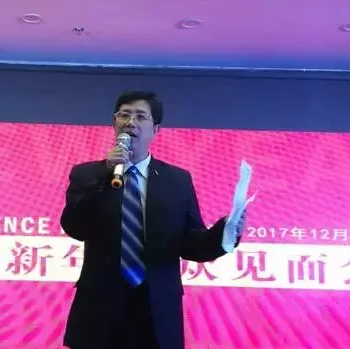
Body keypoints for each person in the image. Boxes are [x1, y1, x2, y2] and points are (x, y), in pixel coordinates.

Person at [60, 90, 246, 349]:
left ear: (155, 129)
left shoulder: (177, 180)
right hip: (99, 309)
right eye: (124, 115)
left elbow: (191, 243)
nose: (130, 122)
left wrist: (227, 230)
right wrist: (105, 176)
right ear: (114, 123)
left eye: (140, 116)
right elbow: (75, 226)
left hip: (156, 310)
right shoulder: (87, 174)